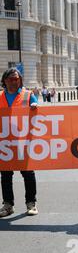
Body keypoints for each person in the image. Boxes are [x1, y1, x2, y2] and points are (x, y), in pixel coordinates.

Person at [0, 68, 39, 218]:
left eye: (17, 79)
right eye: (11, 79)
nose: (14, 81)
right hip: (5, 143)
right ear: (4, 81)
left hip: (23, 141)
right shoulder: (0, 97)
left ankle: (31, 203)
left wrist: (35, 107)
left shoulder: (28, 95)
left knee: (28, 173)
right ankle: (8, 204)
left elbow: (37, 110)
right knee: (6, 175)